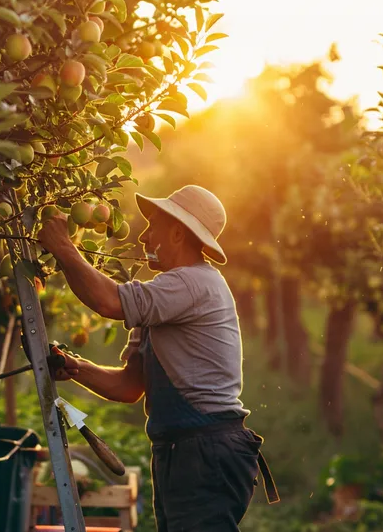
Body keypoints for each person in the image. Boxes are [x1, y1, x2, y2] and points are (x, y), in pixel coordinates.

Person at [37, 184, 279, 532]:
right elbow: (129, 386)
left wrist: (63, 246)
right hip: (180, 451)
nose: (145, 240)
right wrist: (77, 368)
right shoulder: (165, 301)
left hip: (204, 451)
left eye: (154, 229)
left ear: (178, 233)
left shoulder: (193, 283)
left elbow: (109, 302)